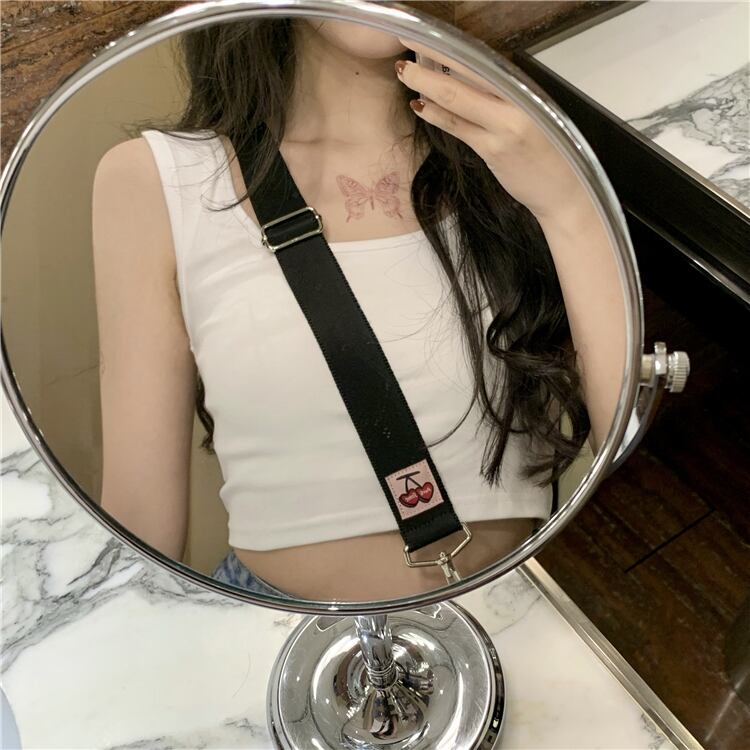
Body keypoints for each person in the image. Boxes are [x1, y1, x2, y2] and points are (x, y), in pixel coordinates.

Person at [91, 17, 624, 601]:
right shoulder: (160, 180)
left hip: (515, 618)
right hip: (277, 635)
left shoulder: (517, 154)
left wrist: (570, 208)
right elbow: (139, 552)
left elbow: (631, 460)